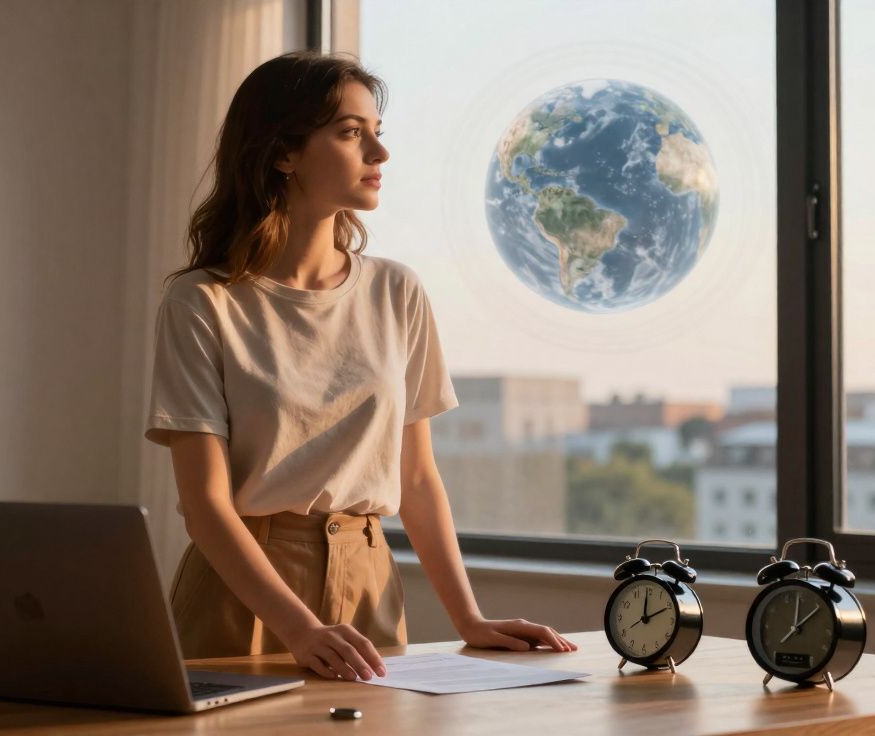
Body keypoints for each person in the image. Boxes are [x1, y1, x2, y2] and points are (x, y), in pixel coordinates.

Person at [143, 50, 577, 683]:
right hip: (244, 599)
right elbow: (205, 503)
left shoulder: (398, 293)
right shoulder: (202, 302)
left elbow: (418, 479)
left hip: (371, 586)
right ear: (282, 152)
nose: (380, 153)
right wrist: (300, 629)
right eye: (351, 133)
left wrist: (469, 620)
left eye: (378, 132)